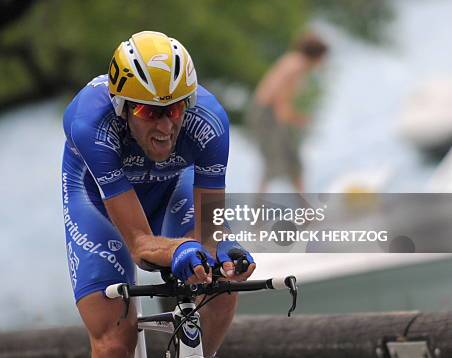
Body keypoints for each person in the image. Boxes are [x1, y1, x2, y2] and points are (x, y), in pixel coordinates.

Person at [61, 31, 255, 358]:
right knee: (114, 343)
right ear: (122, 107)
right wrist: (183, 248)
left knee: (222, 287)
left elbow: (209, 232)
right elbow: (139, 245)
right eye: (150, 113)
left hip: (173, 188)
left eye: (176, 110)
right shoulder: (89, 122)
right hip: (98, 202)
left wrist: (221, 252)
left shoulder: (210, 122)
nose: (166, 127)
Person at [249, 33, 328, 193]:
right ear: (317, 55)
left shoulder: (294, 61)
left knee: (290, 163)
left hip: (267, 114)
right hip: (267, 116)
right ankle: (259, 214)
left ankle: (305, 213)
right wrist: (300, 120)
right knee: (278, 162)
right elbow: (281, 106)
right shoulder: (296, 67)